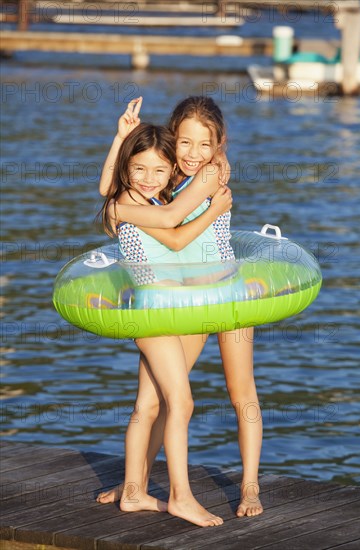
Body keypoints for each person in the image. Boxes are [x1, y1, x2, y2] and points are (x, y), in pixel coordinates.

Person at [97, 96, 263, 518]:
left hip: (227, 294)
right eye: (184, 143)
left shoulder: (209, 174)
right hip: (184, 300)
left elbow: (170, 222)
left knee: (240, 391)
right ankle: (134, 483)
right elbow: (161, 218)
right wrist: (121, 140)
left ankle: (249, 488)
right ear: (173, 142)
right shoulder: (165, 178)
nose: (193, 154)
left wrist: (217, 182)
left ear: (218, 145)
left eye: (204, 144)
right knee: (158, 399)